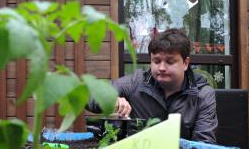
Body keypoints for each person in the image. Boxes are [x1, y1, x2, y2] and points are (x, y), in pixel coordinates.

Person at [87, 28, 218, 143]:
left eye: (170, 61)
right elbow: (89, 95)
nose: (161, 67)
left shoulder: (203, 95)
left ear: (185, 63)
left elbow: (203, 144)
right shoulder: (136, 83)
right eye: (156, 61)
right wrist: (109, 100)